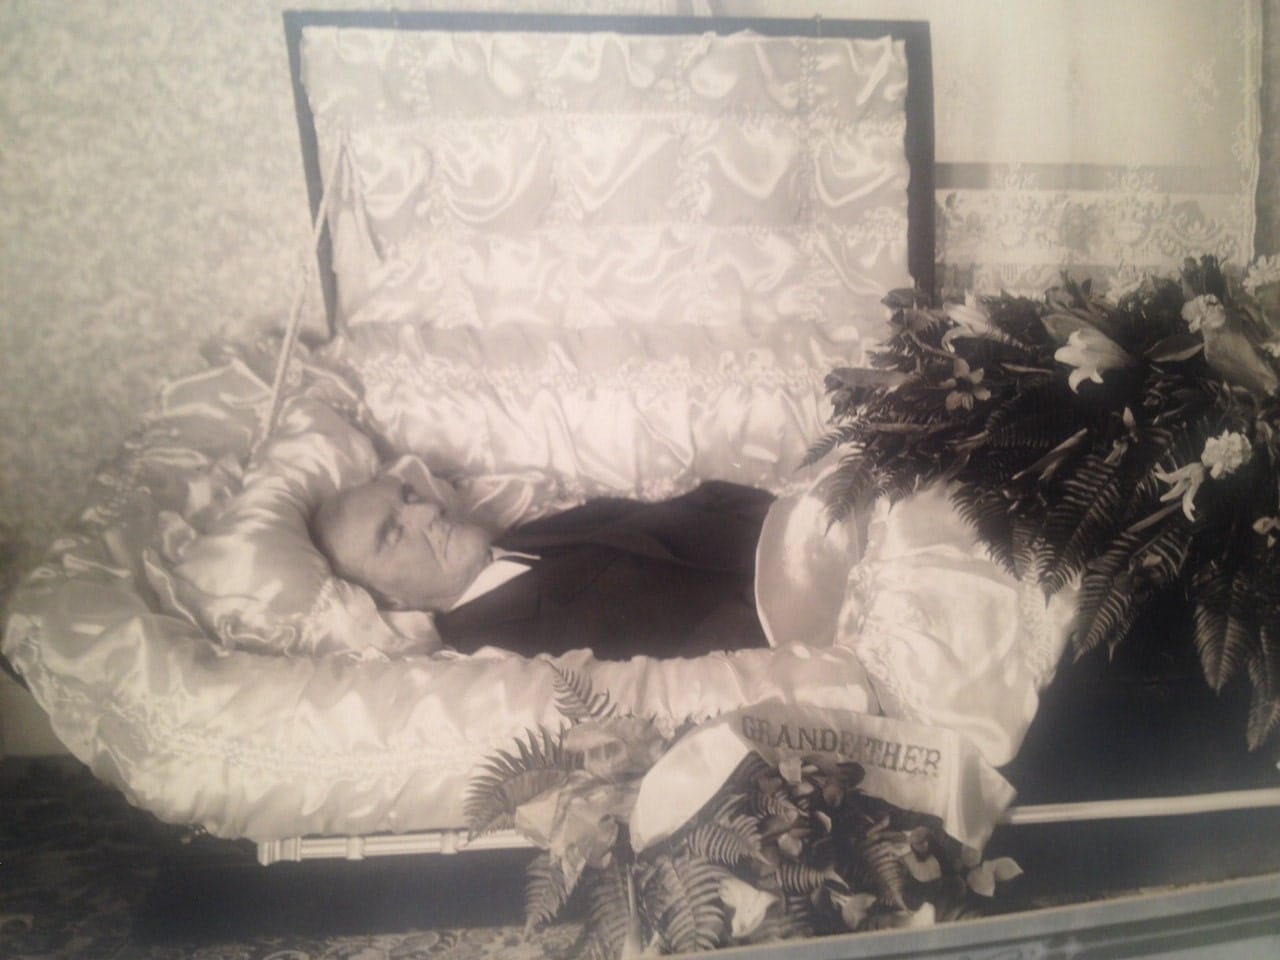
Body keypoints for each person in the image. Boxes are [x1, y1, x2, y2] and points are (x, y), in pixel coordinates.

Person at [312, 472, 775, 660]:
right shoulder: (501, 659)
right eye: (392, 533)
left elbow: (692, 507)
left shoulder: (527, 535)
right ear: (389, 602)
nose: (428, 511)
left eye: (410, 496)